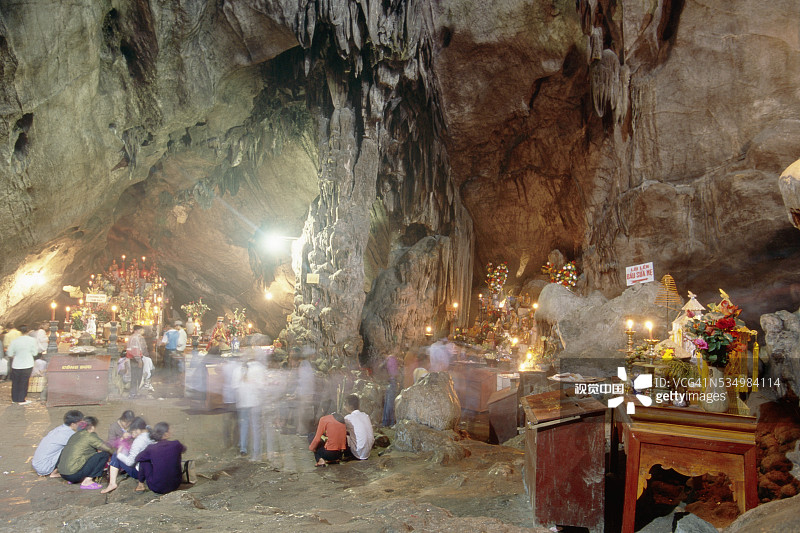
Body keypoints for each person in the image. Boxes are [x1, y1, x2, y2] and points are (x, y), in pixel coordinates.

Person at [58, 416, 114, 489]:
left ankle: (76, 479)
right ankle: (87, 481)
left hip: (63, 474)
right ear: (92, 426)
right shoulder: (90, 436)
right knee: (104, 455)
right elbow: (108, 449)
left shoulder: (75, 435)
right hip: (73, 475)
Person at [101, 417, 154, 493]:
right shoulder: (152, 433)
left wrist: (119, 454)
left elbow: (130, 462)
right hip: (152, 469)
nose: (132, 435)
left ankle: (112, 484)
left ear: (138, 430)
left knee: (116, 454)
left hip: (140, 473)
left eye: (133, 432)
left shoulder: (138, 441)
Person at [135, 422, 186, 494]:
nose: (171, 432)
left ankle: (141, 484)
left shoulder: (151, 448)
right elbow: (184, 449)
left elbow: (138, 458)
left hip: (157, 487)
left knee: (144, 461)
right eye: (169, 430)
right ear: (165, 434)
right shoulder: (176, 444)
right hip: (175, 485)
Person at [232, 355, 267, 461]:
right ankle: (256, 450)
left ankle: (243, 448)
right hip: (255, 402)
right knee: (256, 427)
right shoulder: (260, 368)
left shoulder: (237, 369)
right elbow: (263, 386)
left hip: (243, 402)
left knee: (244, 425)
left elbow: (234, 386)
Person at [32, 410, 84, 477]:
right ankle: (55, 472)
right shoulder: (68, 434)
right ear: (73, 424)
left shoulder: (59, 429)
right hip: (45, 466)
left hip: (38, 464)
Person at [8, 324, 37, 404]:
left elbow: (9, 353)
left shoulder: (14, 341)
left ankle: (14, 399)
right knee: (24, 382)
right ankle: (21, 399)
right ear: (28, 331)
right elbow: (35, 353)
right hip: (28, 363)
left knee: (15, 382)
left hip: (16, 364)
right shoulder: (32, 340)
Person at [344, 394, 374, 460]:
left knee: (344, 434)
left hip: (358, 453)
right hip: (368, 451)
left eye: (345, 405)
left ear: (350, 406)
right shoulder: (366, 416)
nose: (344, 407)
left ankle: (347, 455)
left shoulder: (348, 418)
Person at [126, 325, 148, 398]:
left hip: (133, 359)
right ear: (137, 330)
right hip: (135, 360)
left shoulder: (132, 337)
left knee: (135, 376)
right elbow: (135, 350)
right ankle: (133, 393)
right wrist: (139, 360)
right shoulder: (135, 338)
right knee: (136, 376)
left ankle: (134, 393)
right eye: (141, 330)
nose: (142, 332)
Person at [381, 353, 400, 427]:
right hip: (392, 382)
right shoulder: (391, 358)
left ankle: (385, 422)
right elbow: (394, 373)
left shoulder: (387, 360)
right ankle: (390, 422)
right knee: (391, 403)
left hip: (389, 382)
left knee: (387, 403)